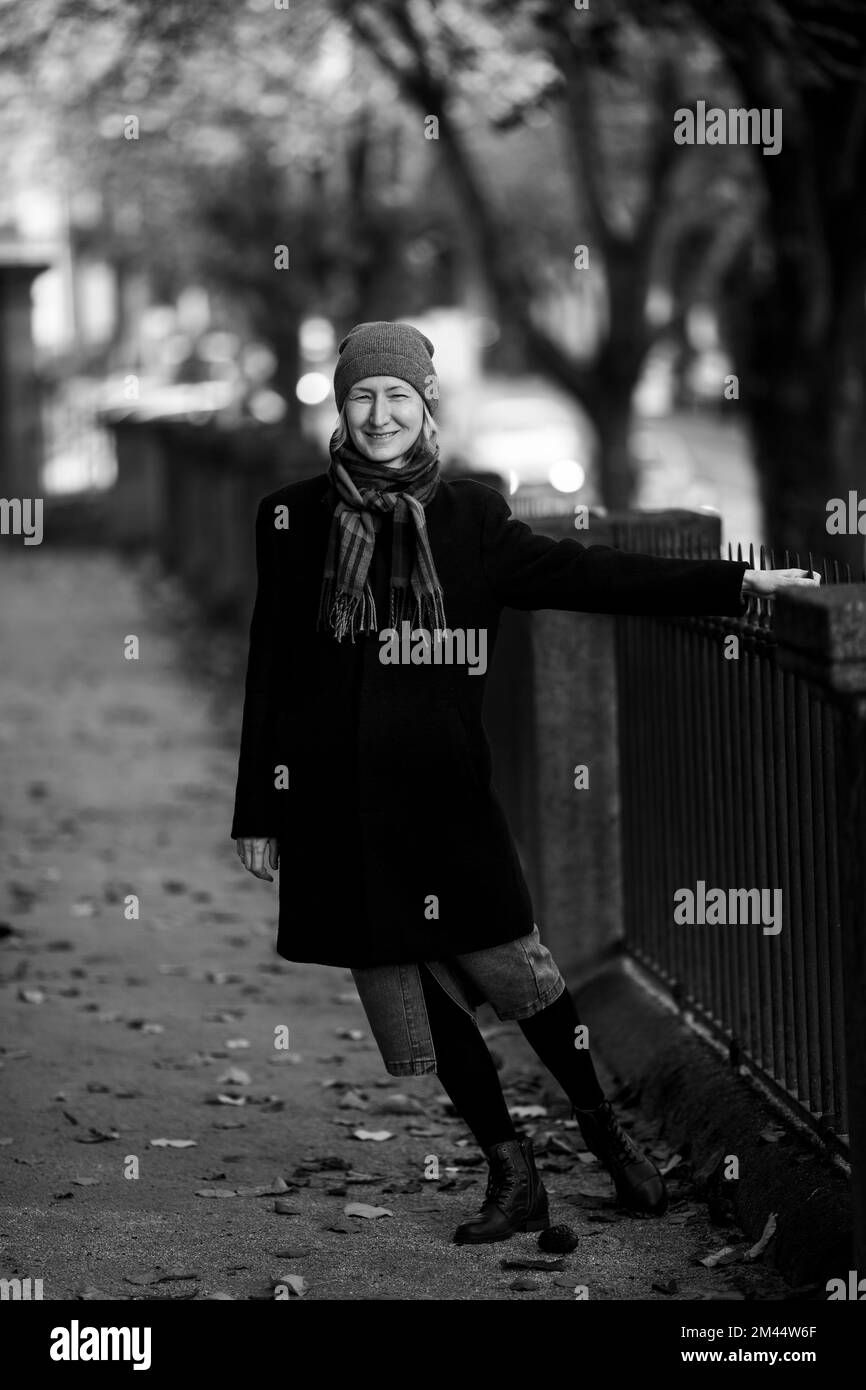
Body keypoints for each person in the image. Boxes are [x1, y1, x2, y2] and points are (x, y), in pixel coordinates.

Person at [232, 320, 819, 1244]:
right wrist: (259, 810)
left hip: (444, 801)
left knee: (520, 975)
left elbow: (591, 572)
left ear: (427, 410)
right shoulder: (291, 519)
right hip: (335, 808)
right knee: (413, 988)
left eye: (400, 397)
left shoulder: (473, 517)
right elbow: (271, 668)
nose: (380, 414)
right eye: (362, 395)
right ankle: (513, 1175)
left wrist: (736, 584)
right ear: (340, 406)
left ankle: (601, 1129)